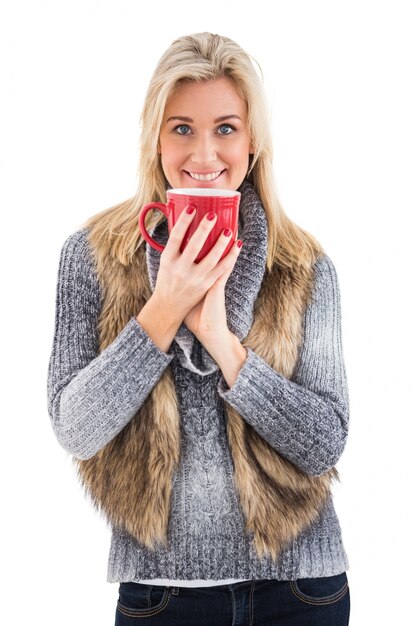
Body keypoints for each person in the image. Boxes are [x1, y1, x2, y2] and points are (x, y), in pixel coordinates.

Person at [47, 31, 351, 626]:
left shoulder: (304, 266)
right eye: (181, 128)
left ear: (254, 141)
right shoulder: (92, 256)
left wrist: (222, 341)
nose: (204, 155)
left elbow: (326, 444)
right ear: (154, 138)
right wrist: (163, 310)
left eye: (227, 128)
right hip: (161, 599)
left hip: (302, 592)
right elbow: (75, 429)